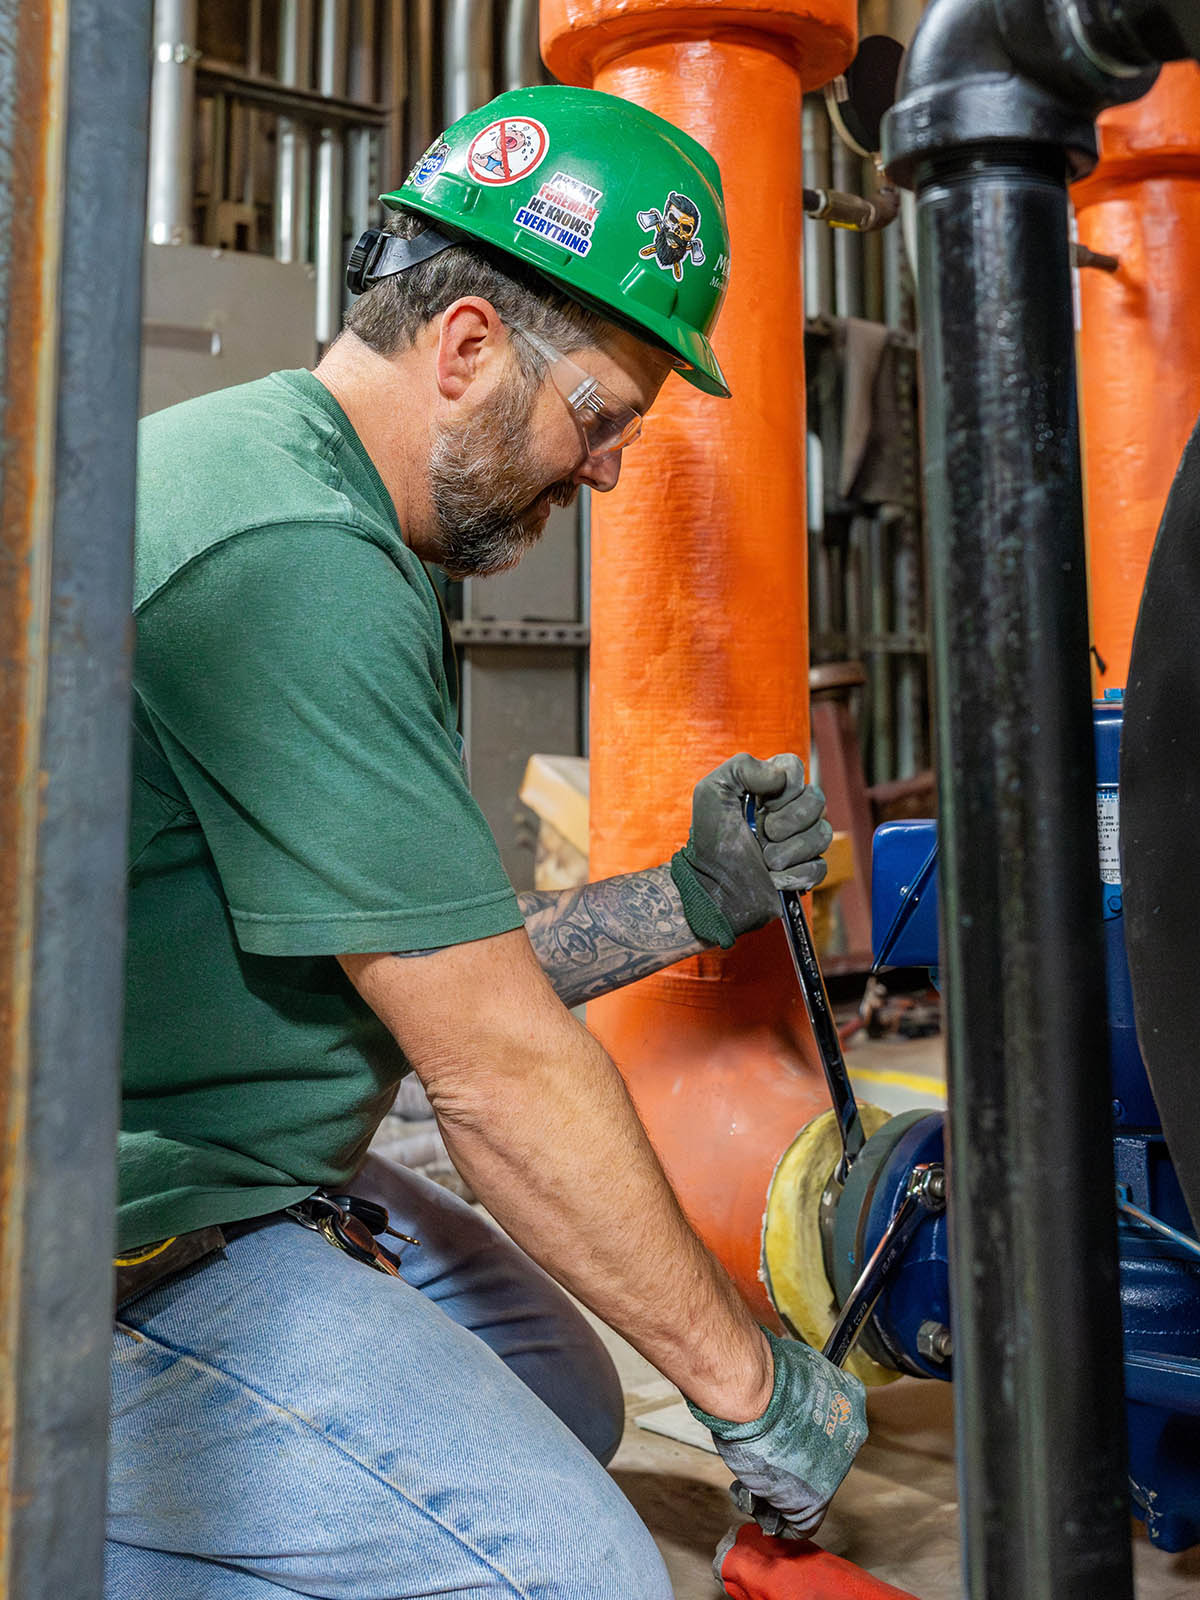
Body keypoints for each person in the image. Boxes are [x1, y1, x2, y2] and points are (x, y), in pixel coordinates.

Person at [109, 84, 866, 1599]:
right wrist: (749, 1386)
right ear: (464, 353)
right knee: (565, 1572)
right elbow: (495, 1072)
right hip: (129, 1223)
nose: (605, 471)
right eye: (599, 418)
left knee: (572, 1404)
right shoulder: (299, 552)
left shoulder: (350, 512)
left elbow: (433, 964)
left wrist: (684, 902)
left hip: (251, 1168)